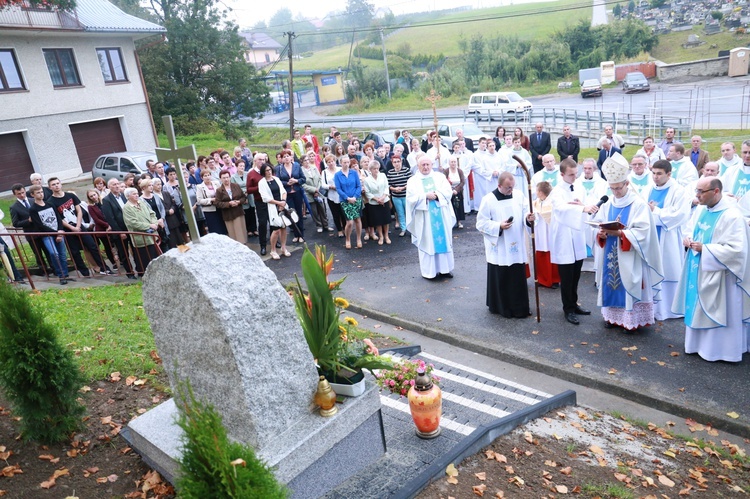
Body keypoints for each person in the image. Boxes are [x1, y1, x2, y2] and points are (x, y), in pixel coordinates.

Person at [672, 177, 750, 362]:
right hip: (697, 268)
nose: (697, 196)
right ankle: (696, 346)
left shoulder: (732, 215)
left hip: (722, 276)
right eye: (696, 191)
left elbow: (737, 251)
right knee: (696, 304)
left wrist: (706, 249)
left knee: (721, 310)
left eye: (701, 192)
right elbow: (690, 229)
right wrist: (688, 239)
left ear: (716, 191)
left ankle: (721, 351)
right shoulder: (700, 210)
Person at [592, 155, 663, 331]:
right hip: (611, 252)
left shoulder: (638, 204)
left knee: (628, 282)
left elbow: (644, 232)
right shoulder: (608, 204)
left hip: (630, 255)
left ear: (627, 184)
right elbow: (599, 223)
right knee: (611, 281)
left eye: (618, 188)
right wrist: (601, 233)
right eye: (612, 188)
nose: (615, 192)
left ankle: (630, 320)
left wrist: (621, 233)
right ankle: (612, 317)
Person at [548, 158, 601, 324]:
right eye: (571, 175)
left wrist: (583, 205)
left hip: (576, 236)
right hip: (564, 236)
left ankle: (574, 303)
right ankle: (568, 309)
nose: (574, 177)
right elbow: (561, 208)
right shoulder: (556, 191)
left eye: (576, 174)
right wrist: (579, 208)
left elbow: (584, 204)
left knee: (576, 273)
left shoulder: (578, 186)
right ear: (562, 174)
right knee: (567, 276)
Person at [477, 172, 536, 318]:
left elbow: (524, 213)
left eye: (512, 187)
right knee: (502, 276)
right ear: (499, 186)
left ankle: (520, 308)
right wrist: (498, 226)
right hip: (500, 246)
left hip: (516, 242)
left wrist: (528, 218)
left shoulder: (518, 195)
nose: (511, 190)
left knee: (517, 276)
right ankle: (502, 308)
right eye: (508, 188)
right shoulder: (488, 200)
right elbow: (481, 223)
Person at [642, 160, 692, 321]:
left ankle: (668, 310)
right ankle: (650, 308)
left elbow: (680, 214)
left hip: (668, 237)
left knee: (667, 270)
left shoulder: (679, 191)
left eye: (659, 174)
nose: (655, 177)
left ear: (669, 174)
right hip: (650, 237)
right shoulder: (649, 188)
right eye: (653, 173)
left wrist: (654, 211)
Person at [47, 177, 111, 277]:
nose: (56, 186)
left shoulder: (70, 196)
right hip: (67, 229)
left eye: (57, 183)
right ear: (50, 187)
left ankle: (104, 268)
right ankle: (84, 272)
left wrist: (78, 224)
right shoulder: (50, 202)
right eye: (53, 184)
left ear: (61, 184)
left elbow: (79, 210)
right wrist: (72, 228)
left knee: (92, 246)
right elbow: (59, 219)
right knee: (75, 252)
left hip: (79, 225)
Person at [406, 154, 456, 280]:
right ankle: (430, 272)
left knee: (443, 240)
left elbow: (448, 192)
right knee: (428, 242)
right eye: (423, 165)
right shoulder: (413, 181)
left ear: (432, 165)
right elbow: (411, 199)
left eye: (428, 164)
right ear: (418, 166)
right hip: (425, 217)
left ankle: (445, 270)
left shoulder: (439, 177)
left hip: (441, 214)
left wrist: (436, 194)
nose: (426, 167)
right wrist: (425, 196)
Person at [28, 185, 70, 285]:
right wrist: (56, 233)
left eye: (41, 192)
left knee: (62, 255)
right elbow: (40, 225)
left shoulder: (50, 204)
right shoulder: (33, 209)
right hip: (47, 235)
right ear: (32, 195)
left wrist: (60, 230)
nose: (41, 194)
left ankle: (65, 273)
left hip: (58, 232)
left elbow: (58, 218)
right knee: (53, 254)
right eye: (38, 193)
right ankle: (61, 275)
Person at [10, 183, 51, 274]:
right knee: (38, 253)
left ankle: (54, 268)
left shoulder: (33, 200)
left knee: (48, 250)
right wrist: (28, 221)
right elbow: (15, 223)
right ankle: (43, 270)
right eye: (19, 194)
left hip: (42, 230)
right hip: (31, 233)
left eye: (23, 192)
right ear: (15, 194)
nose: (22, 195)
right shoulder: (14, 207)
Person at [101, 178, 137, 278]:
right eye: (114, 184)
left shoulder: (124, 196)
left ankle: (140, 269)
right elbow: (110, 218)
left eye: (117, 184)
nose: (117, 186)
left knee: (135, 250)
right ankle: (130, 273)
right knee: (124, 253)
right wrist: (120, 232)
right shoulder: (107, 200)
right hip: (120, 230)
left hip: (130, 228)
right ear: (109, 187)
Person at [122, 187, 160, 270]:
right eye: (134, 194)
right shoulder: (127, 208)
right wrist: (149, 226)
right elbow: (133, 223)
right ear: (128, 196)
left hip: (152, 235)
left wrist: (155, 223)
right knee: (147, 260)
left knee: (157, 257)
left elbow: (152, 213)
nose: (137, 195)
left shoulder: (141, 202)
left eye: (137, 193)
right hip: (141, 239)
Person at [275, 150, 306, 243]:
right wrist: (287, 183)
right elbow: (278, 181)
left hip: (297, 192)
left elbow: (303, 179)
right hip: (287, 193)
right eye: (284, 157)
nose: (286, 158)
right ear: (281, 159)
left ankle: (301, 235)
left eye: (288, 156)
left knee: (299, 212)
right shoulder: (279, 169)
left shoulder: (296, 166)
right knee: (291, 213)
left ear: (291, 157)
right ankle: (296, 234)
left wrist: (296, 181)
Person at [334, 156, 363, 250]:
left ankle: (359, 239)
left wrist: (355, 196)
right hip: (345, 201)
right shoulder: (337, 175)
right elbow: (338, 189)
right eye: (344, 162)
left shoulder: (354, 173)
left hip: (356, 199)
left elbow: (358, 186)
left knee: (358, 220)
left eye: (347, 162)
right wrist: (347, 198)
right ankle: (348, 239)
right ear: (341, 163)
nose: (346, 164)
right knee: (349, 222)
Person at [85, 189, 118, 270]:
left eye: (94, 195)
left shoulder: (104, 202)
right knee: (107, 246)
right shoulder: (90, 207)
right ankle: (113, 262)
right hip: (101, 229)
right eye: (91, 196)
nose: (93, 197)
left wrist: (110, 224)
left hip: (111, 226)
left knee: (116, 243)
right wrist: (107, 225)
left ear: (97, 194)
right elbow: (96, 219)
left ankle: (120, 259)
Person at [215, 170, 248, 245]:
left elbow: (243, 197)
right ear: (220, 179)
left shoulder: (236, 186)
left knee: (241, 232)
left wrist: (239, 202)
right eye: (223, 178)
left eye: (227, 177)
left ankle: (243, 246)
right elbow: (217, 203)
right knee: (232, 233)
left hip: (238, 212)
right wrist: (228, 204)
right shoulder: (219, 190)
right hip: (228, 214)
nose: (226, 179)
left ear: (230, 177)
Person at [247, 153, 270, 255]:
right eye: (260, 159)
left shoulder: (268, 171)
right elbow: (248, 189)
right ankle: (263, 245)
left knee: (273, 222)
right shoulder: (251, 173)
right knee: (262, 223)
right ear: (255, 161)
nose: (262, 161)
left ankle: (275, 241)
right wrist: (260, 187)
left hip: (271, 201)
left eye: (263, 159)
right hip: (260, 201)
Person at [363, 161, 391, 245]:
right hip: (374, 203)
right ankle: (381, 236)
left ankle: (386, 236)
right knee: (378, 221)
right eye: (374, 169)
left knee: (386, 220)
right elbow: (367, 192)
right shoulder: (367, 180)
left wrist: (382, 198)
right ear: (370, 169)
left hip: (384, 200)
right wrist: (377, 199)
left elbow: (386, 187)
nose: (376, 170)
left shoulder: (383, 175)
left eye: (377, 168)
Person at [301, 155, 331, 233]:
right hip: (309, 193)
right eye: (305, 160)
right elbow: (303, 184)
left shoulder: (314, 168)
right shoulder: (301, 171)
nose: (307, 161)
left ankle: (326, 225)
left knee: (322, 209)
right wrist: (314, 190)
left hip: (318, 192)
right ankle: (319, 225)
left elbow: (320, 179)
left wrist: (317, 190)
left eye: (308, 160)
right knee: (314, 211)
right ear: (302, 162)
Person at [231, 159, 257, 238]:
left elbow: (251, 185)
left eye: (243, 166)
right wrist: (244, 192)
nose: (242, 167)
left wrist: (247, 191)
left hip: (250, 196)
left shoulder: (248, 174)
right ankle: (248, 230)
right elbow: (234, 188)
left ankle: (254, 229)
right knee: (246, 213)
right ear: (236, 167)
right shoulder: (233, 177)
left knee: (252, 212)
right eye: (240, 166)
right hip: (241, 197)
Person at [321, 154, 345, 238]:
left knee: (343, 213)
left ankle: (345, 229)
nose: (331, 163)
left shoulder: (340, 169)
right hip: (331, 195)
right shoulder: (324, 172)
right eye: (329, 162)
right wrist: (330, 187)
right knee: (335, 214)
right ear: (326, 163)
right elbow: (323, 184)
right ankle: (339, 230)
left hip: (342, 195)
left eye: (332, 161)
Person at [196, 169, 226, 235]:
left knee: (223, 227)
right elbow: (199, 200)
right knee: (214, 229)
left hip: (219, 208)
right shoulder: (199, 187)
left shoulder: (216, 183)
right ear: (202, 177)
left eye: (208, 175)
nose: (207, 177)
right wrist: (210, 200)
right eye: (205, 176)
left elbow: (223, 193)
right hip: (209, 211)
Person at [386, 154, 410, 237]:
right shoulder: (390, 172)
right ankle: (403, 229)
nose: (397, 163)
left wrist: (403, 188)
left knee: (408, 213)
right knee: (400, 213)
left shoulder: (406, 170)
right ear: (392, 163)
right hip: (396, 197)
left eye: (398, 161)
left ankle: (411, 229)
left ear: (401, 162)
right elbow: (388, 185)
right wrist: (395, 189)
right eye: (395, 162)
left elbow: (410, 183)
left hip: (406, 196)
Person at [444, 157, 466, 229]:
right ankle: (450, 222)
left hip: (458, 190)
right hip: (449, 191)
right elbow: (444, 181)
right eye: (451, 162)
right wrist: (451, 190)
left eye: (454, 162)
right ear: (449, 163)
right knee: (451, 207)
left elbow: (463, 182)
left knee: (459, 207)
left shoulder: (459, 171)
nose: (453, 163)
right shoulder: (446, 171)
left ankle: (459, 221)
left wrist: (456, 190)